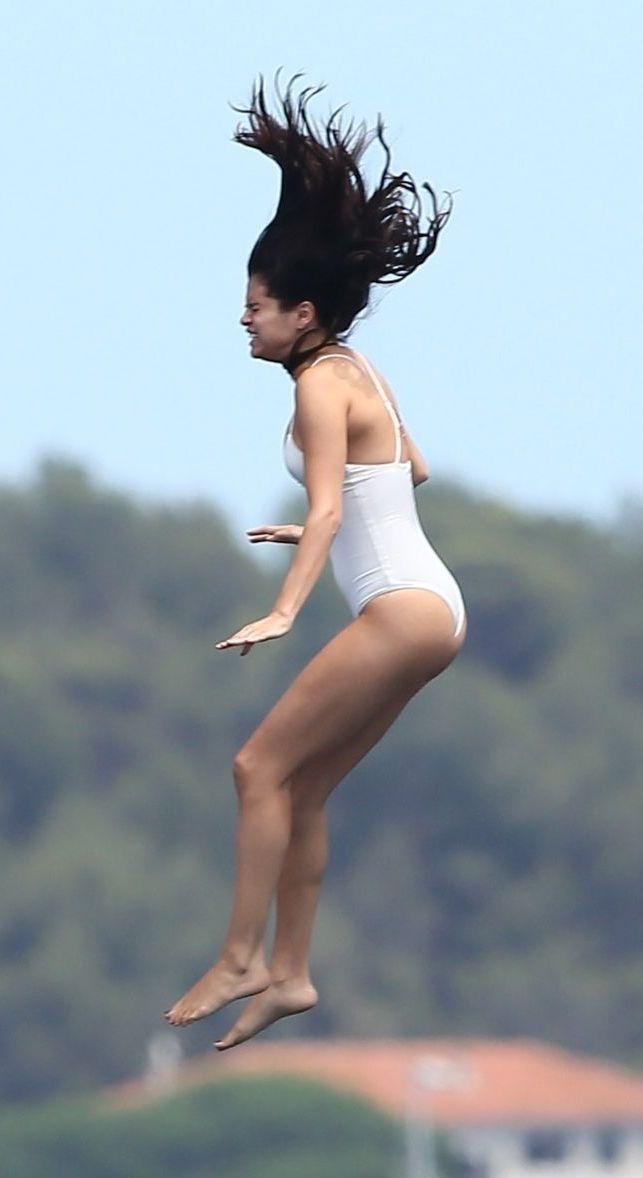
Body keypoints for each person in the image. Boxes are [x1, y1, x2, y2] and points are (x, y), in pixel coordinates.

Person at [164, 70, 467, 1051]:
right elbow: (408, 471)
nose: (243, 319)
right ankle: (290, 973)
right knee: (301, 789)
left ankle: (240, 955)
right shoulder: (353, 369)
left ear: (301, 312)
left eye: (256, 305)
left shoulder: (315, 388)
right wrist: (318, 531)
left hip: (400, 608)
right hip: (431, 606)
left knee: (256, 766)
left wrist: (288, 607)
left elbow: (335, 506)